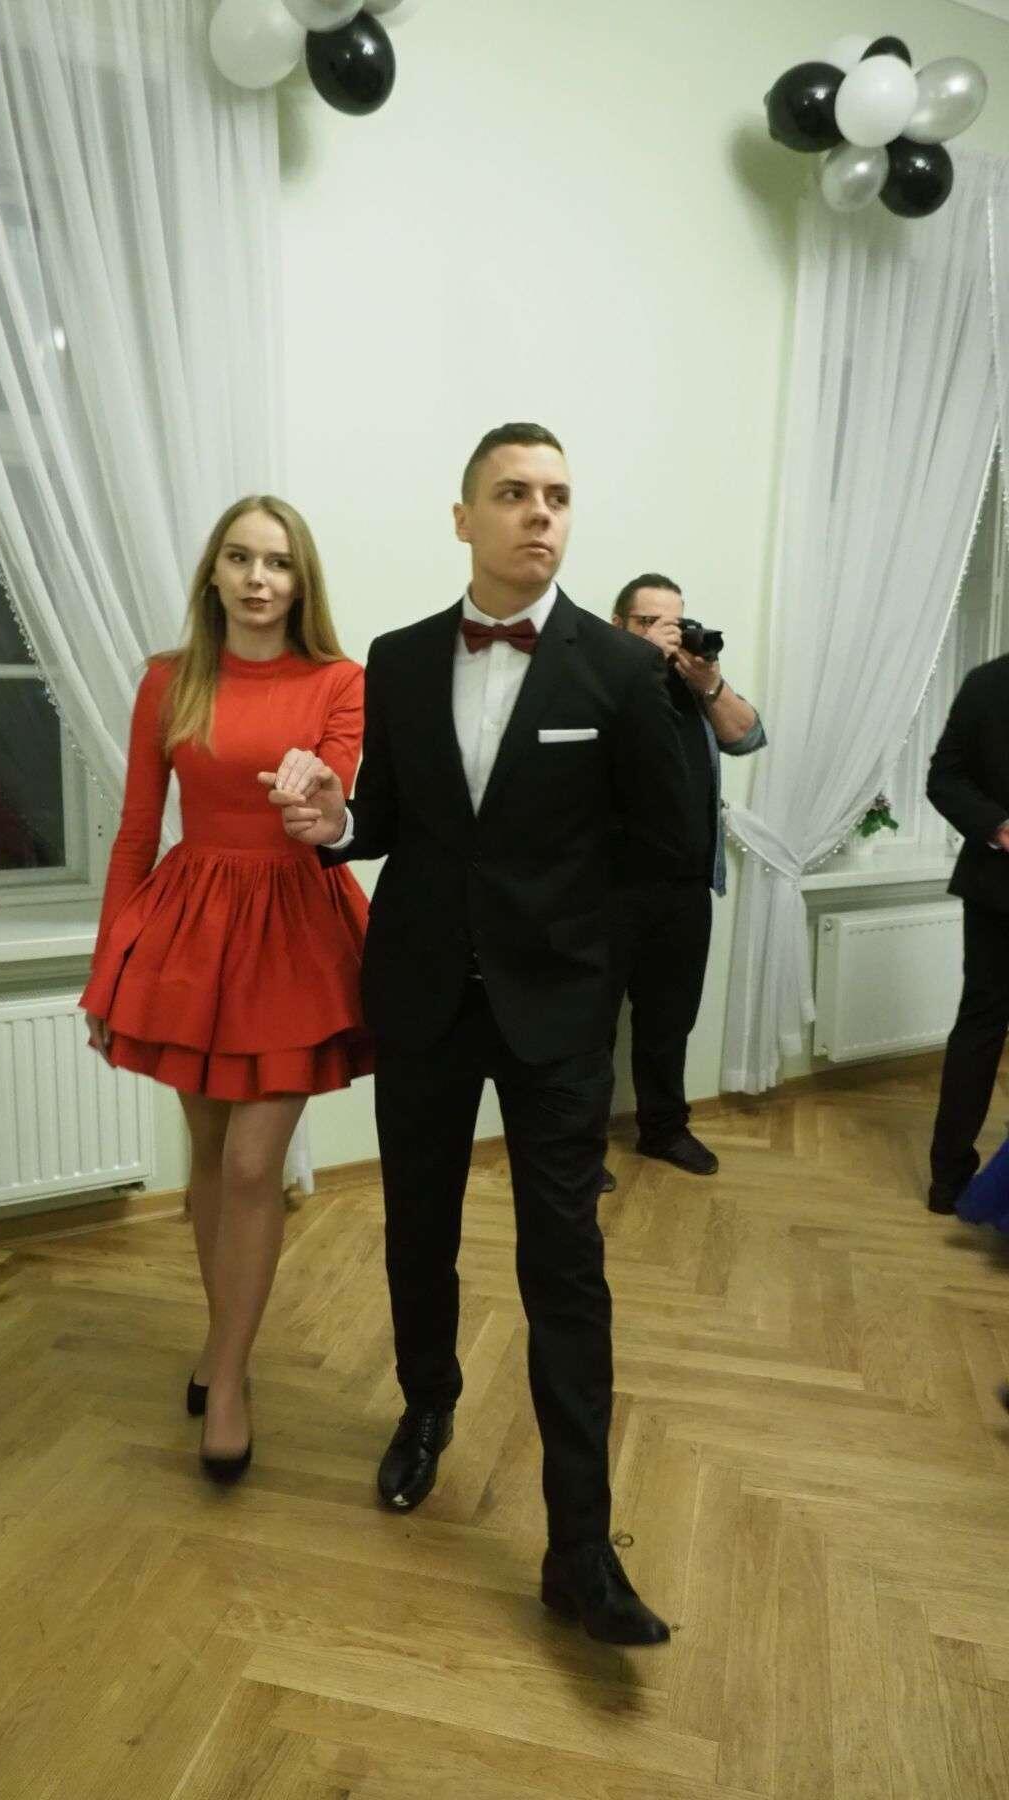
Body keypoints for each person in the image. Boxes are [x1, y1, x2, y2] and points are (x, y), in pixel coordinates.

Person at [263, 424, 692, 1647]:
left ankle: (580, 1550)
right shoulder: (399, 659)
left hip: (557, 1015)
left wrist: (588, 969)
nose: (539, 513)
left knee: (566, 1268)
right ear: (464, 518)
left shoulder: (623, 671)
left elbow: (666, 851)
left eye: (556, 494)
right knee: (419, 1227)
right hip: (422, 997)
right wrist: (337, 826)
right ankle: (426, 1407)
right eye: (512, 493)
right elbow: (388, 817)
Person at [82, 496, 371, 1482]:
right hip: (192, 932)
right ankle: (220, 1337)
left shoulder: (340, 680)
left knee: (254, 1165)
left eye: (278, 562)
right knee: (208, 1154)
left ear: (301, 579)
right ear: (213, 571)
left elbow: (336, 794)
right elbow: (135, 832)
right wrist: (108, 967)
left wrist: (318, 798)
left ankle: (234, 1378)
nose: (258, 578)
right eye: (240, 558)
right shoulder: (169, 681)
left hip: (294, 932)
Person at [607, 575, 766, 1180]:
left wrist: (710, 683)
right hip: (607, 890)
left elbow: (748, 736)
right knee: (590, 1029)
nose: (665, 635)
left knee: (669, 1020)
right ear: (618, 626)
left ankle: (664, 1130)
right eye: (648, 622)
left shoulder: (693, 685)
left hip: (684, 887)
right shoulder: (596, 678)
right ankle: (577, 1150)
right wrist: (639, 662)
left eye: (673, 623)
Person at [925, 651, 1009, 1214]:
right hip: (999, 891)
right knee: (980, 1027)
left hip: (991, 887)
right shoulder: (989, 682)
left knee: (978, 1026)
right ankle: (948, 1180)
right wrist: (1000, 828)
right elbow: (943, 779)